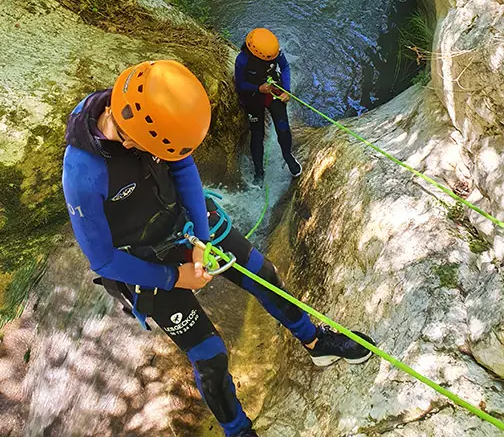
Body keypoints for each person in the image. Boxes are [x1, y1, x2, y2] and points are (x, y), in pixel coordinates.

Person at [62, 59, 374, 437]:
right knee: (211, 356)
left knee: (264, 274)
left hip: (189, 225)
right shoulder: (84, 174)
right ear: (130, 138)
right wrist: (176, 276)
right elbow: (104, 258)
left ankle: (314, 341)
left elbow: (182, 168)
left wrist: (203, 242)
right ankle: (238, 431)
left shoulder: (157, 117)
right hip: (146, 259)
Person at [235, 28, 302, 185]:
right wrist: (257, 88)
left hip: (273, 92)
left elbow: (284, 67)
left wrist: (286, 90)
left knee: (283, 128)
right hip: (253, 97)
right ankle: (259, 172)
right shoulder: (243, 60)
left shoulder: (275, 52)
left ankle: (288, 156)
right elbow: (240, 84)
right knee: (257, 134)